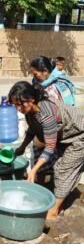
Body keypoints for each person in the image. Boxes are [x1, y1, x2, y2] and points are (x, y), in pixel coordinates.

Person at [9, 81, 84, 220]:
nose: (18, 108)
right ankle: (59, 195)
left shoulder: (46, 114)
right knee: (64, 167)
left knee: (63, 169)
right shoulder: (30, 110)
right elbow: (32, 129)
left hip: (80, 135)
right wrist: (22, 147)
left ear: (31, 99)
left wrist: (34, 169)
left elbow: (49, 146)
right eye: (15, 104)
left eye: (20, 104)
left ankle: (54, 210)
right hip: (65, 136)